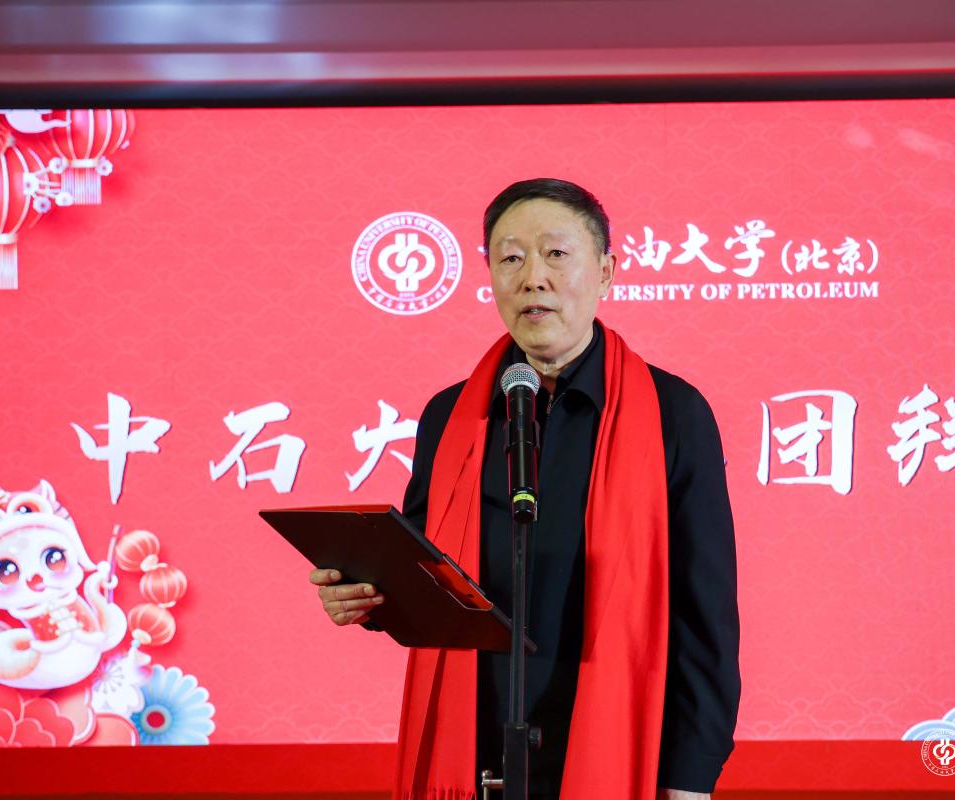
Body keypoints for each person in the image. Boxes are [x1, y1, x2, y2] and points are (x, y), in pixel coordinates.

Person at [311, 178, 740, 800]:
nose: (533, 277)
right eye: (510, 258)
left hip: (616, 741)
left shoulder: (674, 414)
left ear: (606, 272)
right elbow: (426, 574)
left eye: (556, 254)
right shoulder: (452, 416)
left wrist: (690, 776)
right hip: (478, 744)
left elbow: (705, 614)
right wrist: (368, 599)